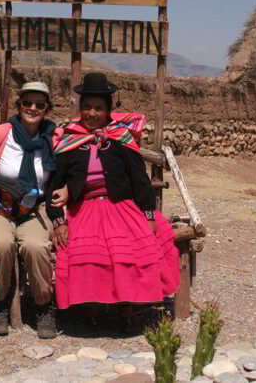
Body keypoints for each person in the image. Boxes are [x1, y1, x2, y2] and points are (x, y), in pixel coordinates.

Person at [46, 72, 180, 329]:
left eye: (98, 108)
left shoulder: (120, 139)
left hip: (121, 206)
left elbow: (139, 181)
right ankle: (91, 311)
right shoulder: (69, 142)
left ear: (108, 110)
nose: (92, 113)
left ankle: (125, 310)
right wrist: (59, 221)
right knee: (86, 252)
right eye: (87, 107)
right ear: (80, 108)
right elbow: (54, 187)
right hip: (83, 207)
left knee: (129, 250)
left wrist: (149, 215)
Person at [0, 81, 60, 339]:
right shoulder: (1, 134)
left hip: (35, 209)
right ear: (19, 105)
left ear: (47, 109)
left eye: (39, 104)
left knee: (35, 247)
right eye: (27, 103)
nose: (32, 108)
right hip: (0, 207)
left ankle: (44, 306)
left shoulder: (53, 137)